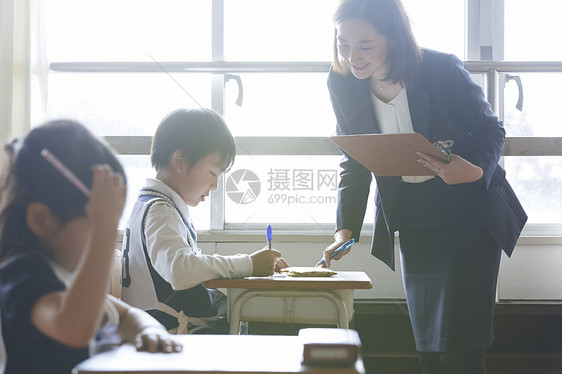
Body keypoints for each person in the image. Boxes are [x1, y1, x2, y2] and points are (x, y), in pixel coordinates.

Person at [318, 0, 528, 373]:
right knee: (430, 351)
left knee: (462, 349)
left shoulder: (440, 68)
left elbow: (491, 129)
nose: (353, 57)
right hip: (415, 221)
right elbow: (356, 159)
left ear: (394, 39)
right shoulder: (342, 82)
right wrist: (344, 229)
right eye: (343, 44)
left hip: (468, 216)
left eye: (365, 45)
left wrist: (475, 170)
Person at [0, 120, 182, 374]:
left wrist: (149, 330)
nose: (105, 234)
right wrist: (104, 227)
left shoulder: (64, 277)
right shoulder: (22, 277)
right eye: (92, 222)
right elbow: (75, 326)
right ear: (40, 219)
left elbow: (126, 315)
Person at [120, 108, 288, 334]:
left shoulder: (152, 203)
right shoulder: (160, 211)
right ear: (180, 160)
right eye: (212, 173)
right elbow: (180, 271)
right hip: (173, 336)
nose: (215, 185)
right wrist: (248, 264)